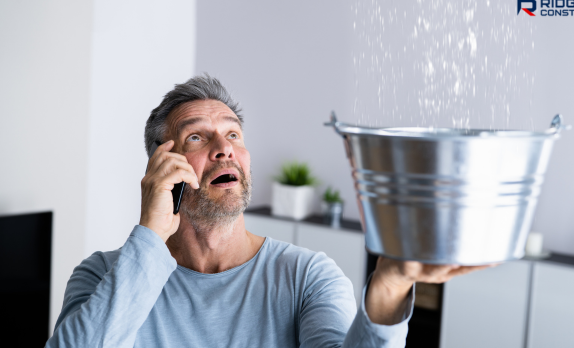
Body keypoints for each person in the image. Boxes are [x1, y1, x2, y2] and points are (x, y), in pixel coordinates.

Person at [46, 74, 488, 348]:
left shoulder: (306, 276)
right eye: (197, 137)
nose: (225, 149)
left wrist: (390, 282)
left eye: (234, 135)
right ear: (163, 167)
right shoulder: (103, 276)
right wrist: (150, 233)